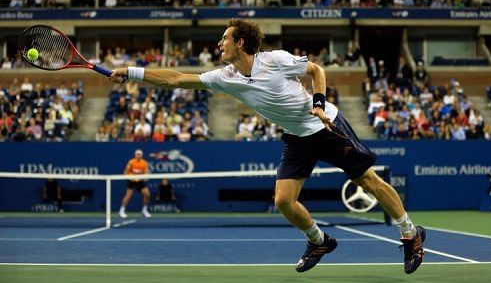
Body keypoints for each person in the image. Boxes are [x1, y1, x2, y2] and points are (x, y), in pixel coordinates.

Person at [110, 19, 426, 274]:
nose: (219, 44)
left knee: (366, 180)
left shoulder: (274, 61)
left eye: (225, 38)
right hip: (296, 137)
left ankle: (410, 232)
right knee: (284, 201)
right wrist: (132, 73)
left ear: (240, 43)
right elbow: (176, 78)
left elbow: (316, 70)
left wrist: (318, 103)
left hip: (324, 125)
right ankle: (319, 241)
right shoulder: (225, 76)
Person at [118, 149, 152, 218]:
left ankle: (144, 210)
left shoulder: (144, 163)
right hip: (131, 181)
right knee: (128, 196)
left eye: (140, 154)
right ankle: (121, 211)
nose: (138, 156)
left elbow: (146, 172)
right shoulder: (131, 162)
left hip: (140, 181)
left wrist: (144, 176)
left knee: (147, 194)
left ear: (142, 155)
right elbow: (126, 172)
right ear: (135, 155)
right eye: (137, 154)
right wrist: (131, 178)